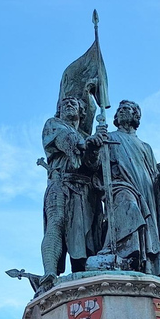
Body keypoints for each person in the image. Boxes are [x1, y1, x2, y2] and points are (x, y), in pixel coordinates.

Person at [93, 100, 160, 281]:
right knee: (129, 207)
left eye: (128, 109)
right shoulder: (110, 137)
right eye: (120, 109)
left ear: (135, 116)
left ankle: (143, 262)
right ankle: (124, 254)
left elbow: (154, 173)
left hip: (146, 190)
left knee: (147, 221)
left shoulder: (146, 147)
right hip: (121, 185)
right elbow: (95, 164)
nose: (123, 111)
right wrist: (96, 143)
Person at [40, 97, 106, 285]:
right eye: (64, 104)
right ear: (59, 110)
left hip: (85, 191)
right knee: (56, 222)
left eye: (73, 103)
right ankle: (50, 272)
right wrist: (87, 143)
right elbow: (65, 141)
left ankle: (85, 273)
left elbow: (92, 165)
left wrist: (95, 149)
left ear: (82, 111)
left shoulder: (86, 136)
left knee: (89, 237)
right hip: (60, 184)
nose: (68, 105)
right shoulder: (53, 125)